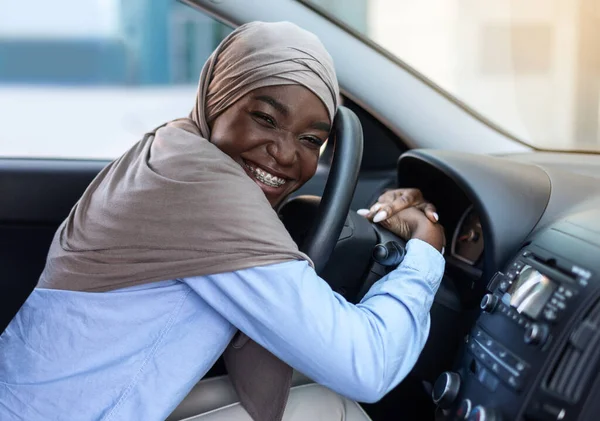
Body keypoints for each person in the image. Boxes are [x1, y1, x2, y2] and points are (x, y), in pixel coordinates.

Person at [0, 21, 445, 421]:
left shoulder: (173, 148)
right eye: (265, 118)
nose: (286, 153)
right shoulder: (205, 191)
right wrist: (427, 248)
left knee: (314, 393)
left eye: (311, 139)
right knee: (336, 411)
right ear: (221, 97)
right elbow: (367, 367)